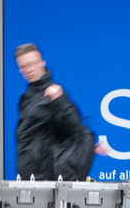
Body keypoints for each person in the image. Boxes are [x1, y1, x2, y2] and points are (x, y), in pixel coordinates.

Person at [14, 43, 97, 181]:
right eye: (24, 66)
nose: (29, 69)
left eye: (33, 63)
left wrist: (60, 101)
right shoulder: (26, 98)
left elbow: (74, 126)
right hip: (29, 175)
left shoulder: (53, 92)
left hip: (46, 176)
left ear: (42, 62)